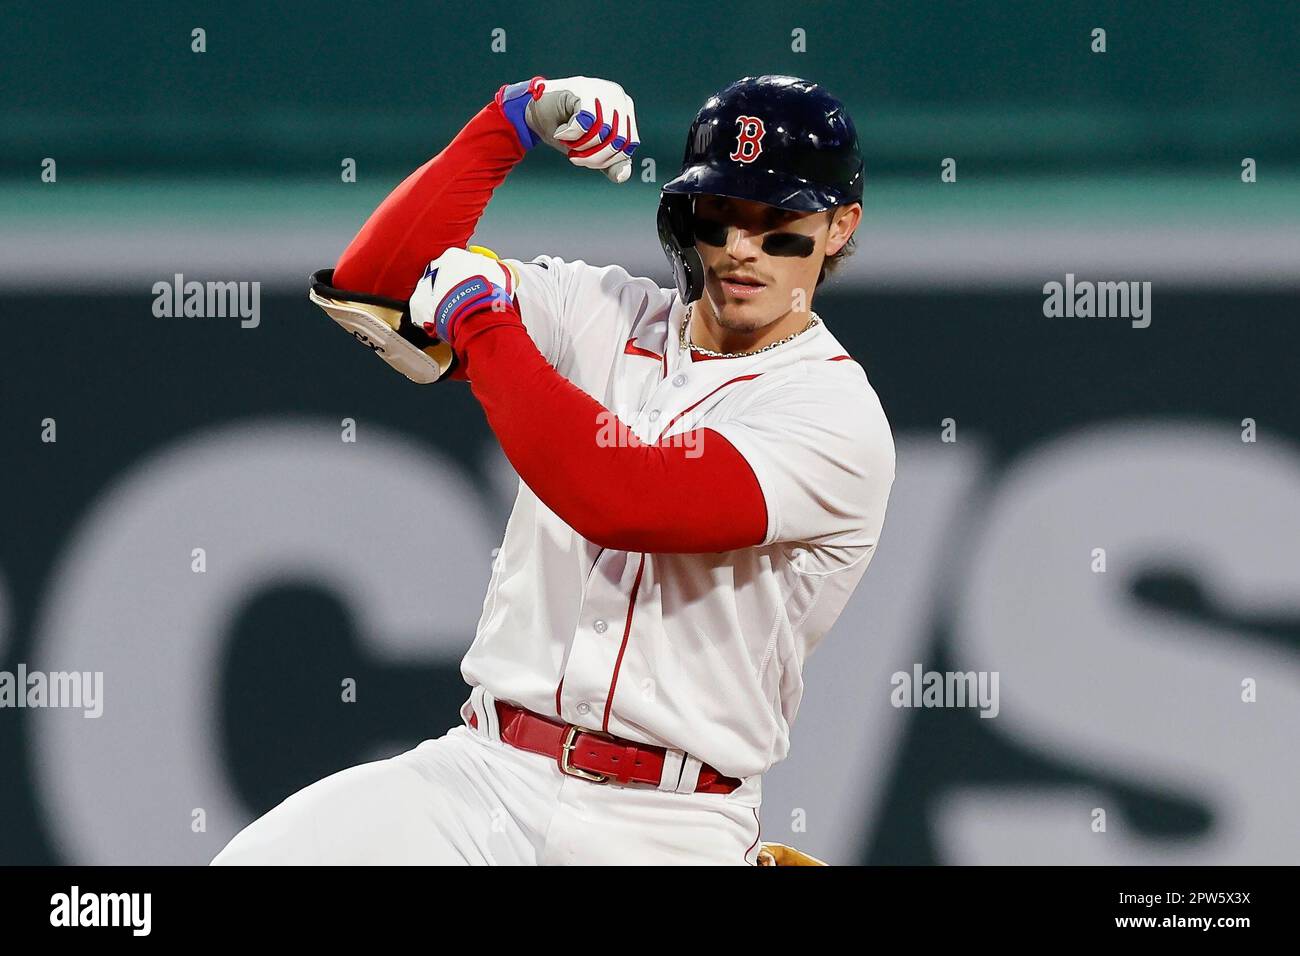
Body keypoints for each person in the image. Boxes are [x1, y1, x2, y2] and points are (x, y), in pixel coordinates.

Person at [211, 73, 894, 866]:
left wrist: (485, 325)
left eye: (778, 221)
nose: (742, 247)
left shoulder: (835, 416)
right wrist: (510, 122)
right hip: (484, 775)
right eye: (722, 212)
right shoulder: (599, 308)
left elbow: (622, 495)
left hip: (668, 823)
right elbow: (379, 284)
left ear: (839, 227)